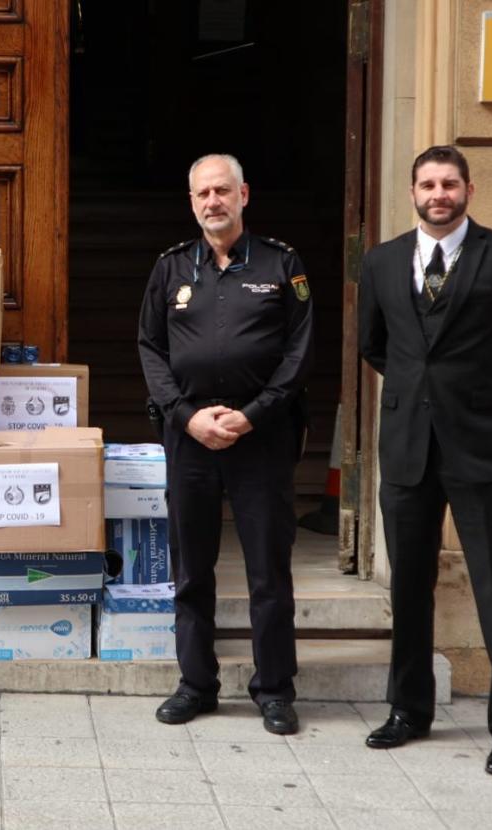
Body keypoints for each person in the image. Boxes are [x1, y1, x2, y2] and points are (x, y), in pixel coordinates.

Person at [359, 145, 492, 775]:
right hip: (406, 450)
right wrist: (417, 397)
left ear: (469, 191)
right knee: (410, 585)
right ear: (413, 192)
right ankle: (408, 710)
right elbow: (376, 345)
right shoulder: (383, 261)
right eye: (427, 184)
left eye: (450, 183)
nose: (438, 194)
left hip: (480, 447)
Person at [139, 154, 314, 735]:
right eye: (201, 194)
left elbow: (298, 354)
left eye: (222, 191)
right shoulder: (170, 268)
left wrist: (251, 416)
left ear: (244, 193)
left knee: (268, 570)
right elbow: (150, 349)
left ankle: (274, 689)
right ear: (191, 202)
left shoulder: (280, 263)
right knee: (192, 569)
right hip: (189, 442)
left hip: (260, 440)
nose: (212, 202)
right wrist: (187, 418)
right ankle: (196, 683)